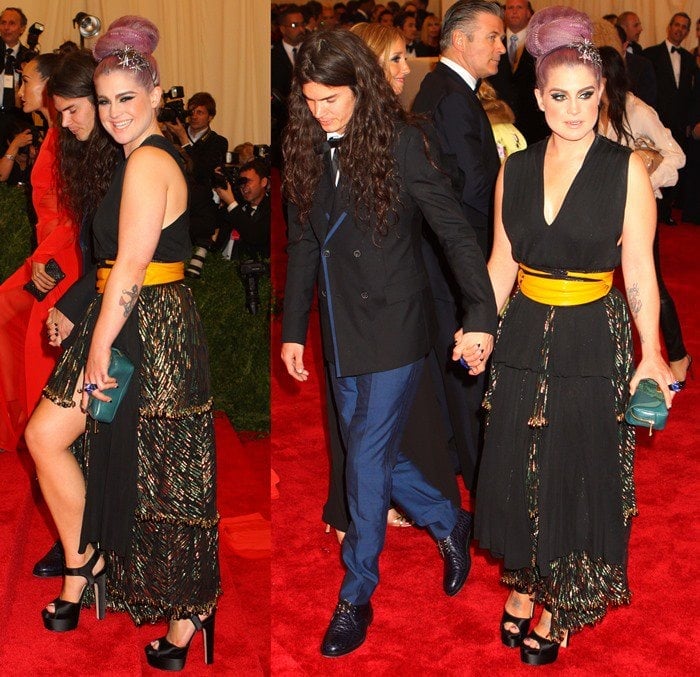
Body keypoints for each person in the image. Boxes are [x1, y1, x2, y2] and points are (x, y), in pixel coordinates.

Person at [281, 28, 496, 657]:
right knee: (361, 446)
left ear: (361, 88)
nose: (320, 112)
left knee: (367, 458)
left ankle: (356, 592)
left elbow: (455, 232)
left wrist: (480, 311)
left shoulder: (403, 141)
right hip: (342, 328)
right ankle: (447, 518)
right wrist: (295, 327)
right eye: (311, 101)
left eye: (332, 100)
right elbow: (302, 243)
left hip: (397, 323)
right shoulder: (305, 146)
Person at [474, 7, 675, 666]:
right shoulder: (518, 168)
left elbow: (639, 268)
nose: (573, 109)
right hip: (526, 329)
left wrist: (651, 353)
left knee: (576, 468)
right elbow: (502, 261)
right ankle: (530, 574)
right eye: (558, 95)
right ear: (537, 98)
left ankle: (560, 598)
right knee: (523, 461)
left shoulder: (628, 172)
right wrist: (480, 325)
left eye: (585, 95)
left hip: (593, 331)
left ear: (602, 94)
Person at [25, 16, 219, 672]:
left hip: (146, 332)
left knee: (166, 471)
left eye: (124, 100)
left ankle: (190, 610)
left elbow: (131, 270)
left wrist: (99, 345)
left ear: (156, 92)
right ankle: (88, 558)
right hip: (125, 322)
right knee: (57, 438)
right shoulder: (137, 156)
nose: (112, 114)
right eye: (104, 101)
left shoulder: (150, 161)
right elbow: (112, 267)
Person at [28, 49, 123, 580]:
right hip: (94, 300)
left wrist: (71, 302)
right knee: (73, 438)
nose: (65, 122)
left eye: (71, 110)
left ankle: (86, 552)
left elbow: (127, 257)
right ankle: (80, 545)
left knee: (60, 436)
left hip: (119, 310)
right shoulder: (87, 152)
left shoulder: (129, 155)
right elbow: (85, 240)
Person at [412, 0, 504, 490]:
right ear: (458, 40)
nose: (500, 46)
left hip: (445, 250)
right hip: (459, 253)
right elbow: (472, 188)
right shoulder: (451, 95)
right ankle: (480, 482)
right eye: (491, 36)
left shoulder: (446, 90)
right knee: (468, 365)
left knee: (455, 364)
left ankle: (457, 469)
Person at [597, 46, 692, 387]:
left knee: (653, 286)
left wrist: (643, 179)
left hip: (640, 210)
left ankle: (678, 355)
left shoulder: (637, 110)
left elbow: (676, 157)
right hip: (603, 211)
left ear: (607, 77)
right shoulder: (589, 111)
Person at [0, 52, 80, 454]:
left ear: (49, 85)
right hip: (48, 252)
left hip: (61, 257)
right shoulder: (49, 132)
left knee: (38, 340)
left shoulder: (67, 136)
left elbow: (74, 213)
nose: (20, 89)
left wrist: (43, 259)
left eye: (27, 80)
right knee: (11, 320)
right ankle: (30, 426)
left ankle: (48, 435)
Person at [165, 91, 228, 279]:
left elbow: (202, 172)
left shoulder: (217, 141)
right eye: (191, 111)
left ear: (211, 117)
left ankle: (201, 247)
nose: (194, 116)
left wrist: (183, 139)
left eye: (200, 112)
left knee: (200, 192)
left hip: (200, 195)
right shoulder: (173, 132)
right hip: (172, 190)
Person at [642, 13, 695, 225]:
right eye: (677, 25)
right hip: (655, 123)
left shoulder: (690, 59)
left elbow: (690, 95)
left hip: (679, 125)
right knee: (652, 168)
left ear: (688, 32)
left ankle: (665, 213)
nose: (679, 30)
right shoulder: (651, 54)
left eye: (684, 27)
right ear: (669, 26)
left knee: (672, 169)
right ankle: (649, 212)